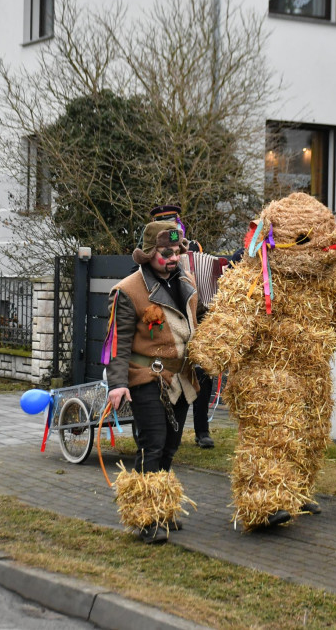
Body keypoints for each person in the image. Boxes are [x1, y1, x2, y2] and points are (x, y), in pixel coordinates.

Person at [105, 220, 202, 543]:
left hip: (182, 379)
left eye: (176, 251)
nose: (173, 257)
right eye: (165, 252)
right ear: (149, 254)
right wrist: (117, 384)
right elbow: (117, 343)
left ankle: (163, 508)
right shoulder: (128, 290)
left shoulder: (186, 282)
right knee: (153, 446)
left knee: (172, 448)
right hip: (147, 378)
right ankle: (146, 519)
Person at [149, 204, 215, 449]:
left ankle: (202, 431)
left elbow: (198, 305)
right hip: (162, 340)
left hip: (190, 331)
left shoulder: (192, 254)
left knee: (202, 375)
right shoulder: (146, 262)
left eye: (175, 225)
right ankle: (163, 431)